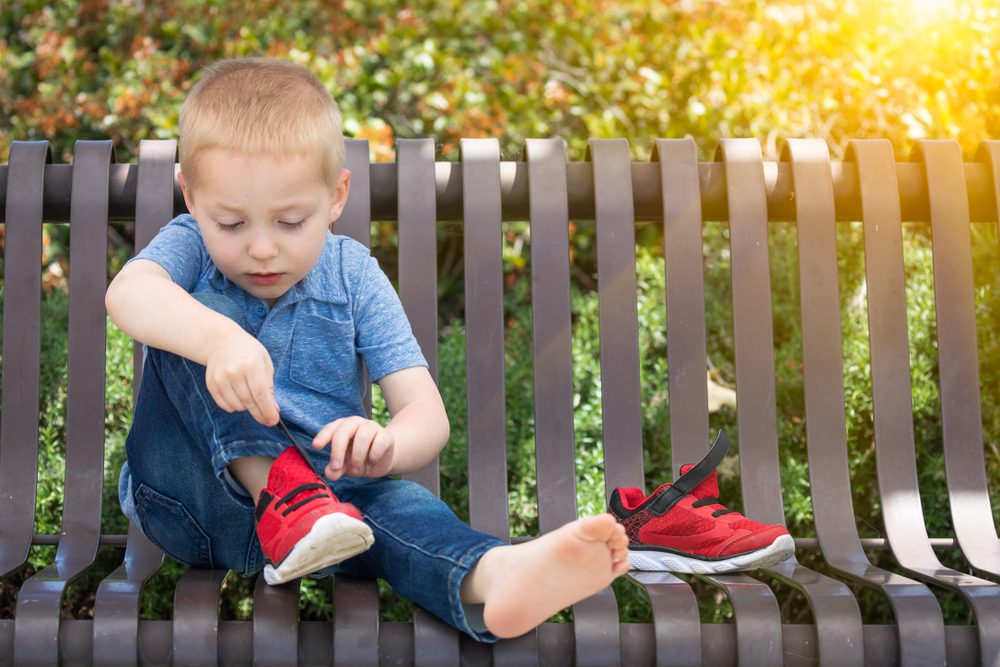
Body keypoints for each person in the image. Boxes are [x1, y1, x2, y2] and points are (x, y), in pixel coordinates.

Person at [105, 57, 631, 642]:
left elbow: (426, 416)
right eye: (230, 223)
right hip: (191, 500)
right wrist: (221, 340)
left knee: (401, 504)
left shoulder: (353, 276)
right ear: (191, 195)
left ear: (336, 196)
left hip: (330, 514)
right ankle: (280, 491)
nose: (260, 248)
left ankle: (496, 573)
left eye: (290, 221)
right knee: (195, 315)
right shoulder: (189, 249)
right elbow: (129, 294)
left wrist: (388, 446)